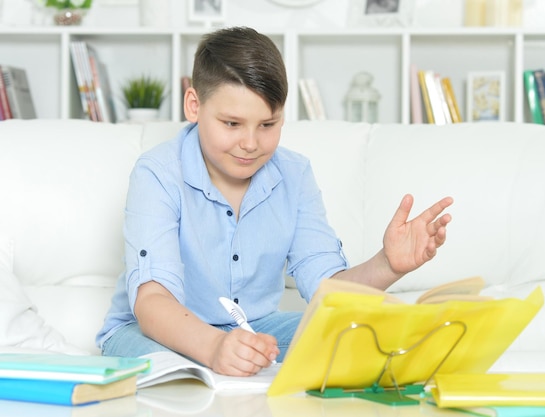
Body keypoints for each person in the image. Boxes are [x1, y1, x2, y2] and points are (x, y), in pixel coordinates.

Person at [96, 26, 452, 377]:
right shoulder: (158, 172)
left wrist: (388, 264)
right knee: (177, 369)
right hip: (152, 332)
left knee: (358, 335)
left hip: (254, 327)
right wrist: (214, 348)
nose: (250, 143)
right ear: (194, 105)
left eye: (268, 124)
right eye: (232, 123)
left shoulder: (294, 175)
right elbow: (152, 302)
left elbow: (328, 293)